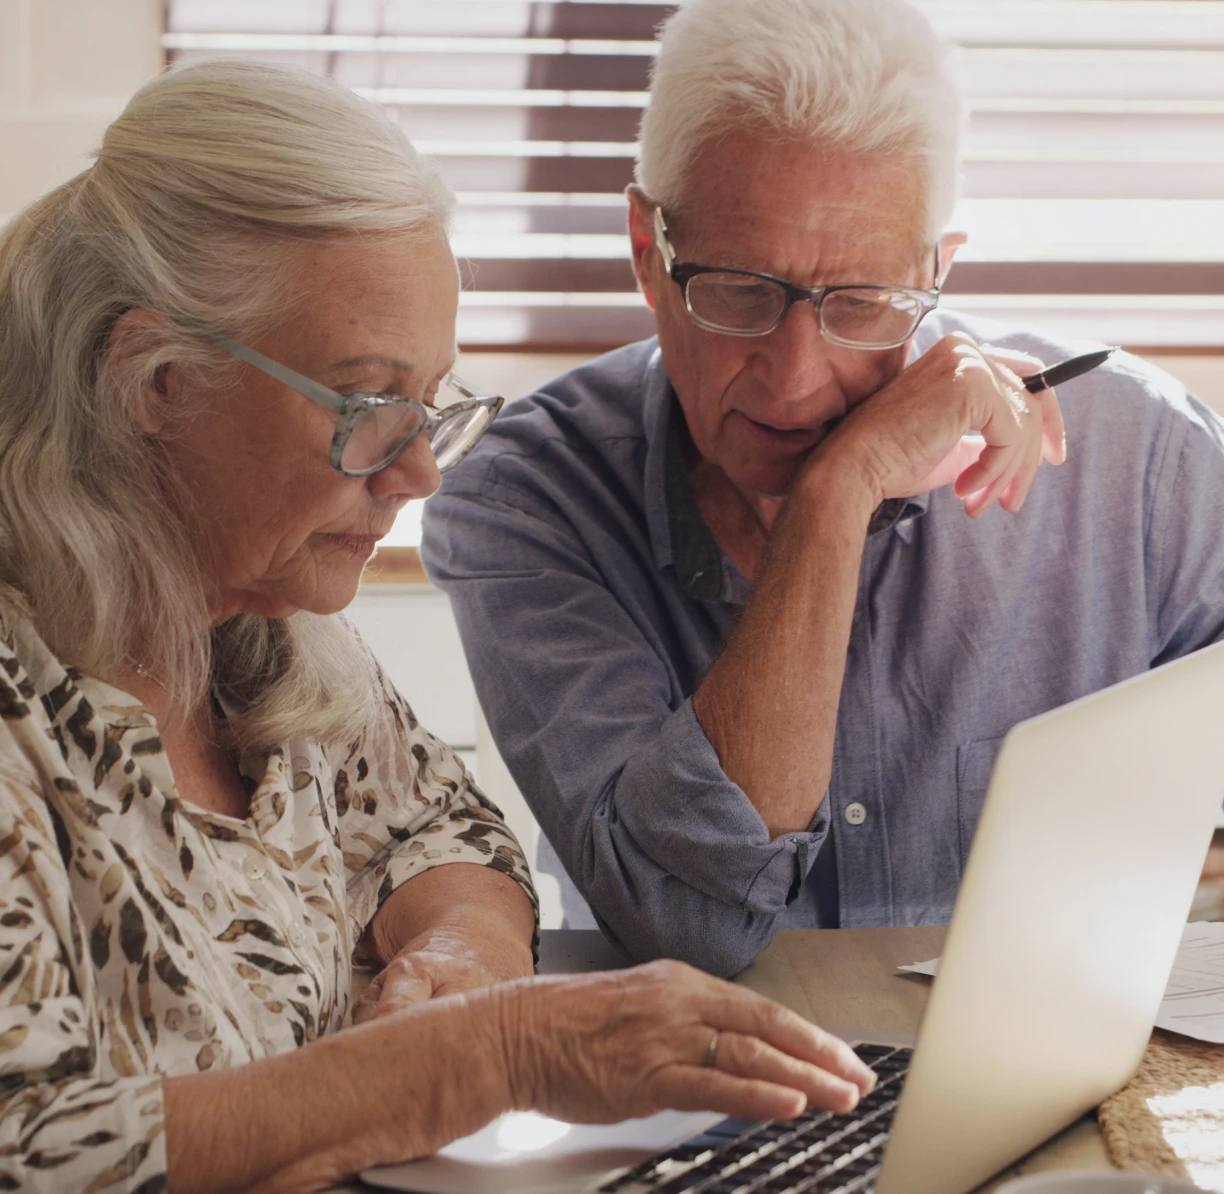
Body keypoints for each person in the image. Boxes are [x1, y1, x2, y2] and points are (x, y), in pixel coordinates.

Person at [0, 60, 876, 1194]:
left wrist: (459, 952)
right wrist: (487, 1052)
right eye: (367, 407)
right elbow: (29, 1149)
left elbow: (445, 830)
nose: (416, 471)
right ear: (155, 379)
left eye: (431, 406)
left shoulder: (257, 627)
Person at [421, 0, 1224, 976]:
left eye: (860, 303)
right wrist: (834, 498)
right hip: (693, 1109)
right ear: (646, 250)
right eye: (737, 291)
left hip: (1049, 1098)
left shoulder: (1139, 458)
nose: (794, 377)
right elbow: (687, 922)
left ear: (935, 272)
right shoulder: (522, 501)